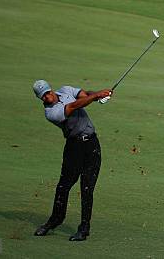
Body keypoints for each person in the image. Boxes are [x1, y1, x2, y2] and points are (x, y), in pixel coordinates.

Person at [31, 80, 112, 242]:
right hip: (74, 148)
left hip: (92, 145)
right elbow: (75, 106)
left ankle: (84, 229)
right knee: (63, 187)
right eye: (43, 96)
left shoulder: (66, 90)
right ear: (40, 99)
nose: (48, 97)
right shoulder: (51, 113)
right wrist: (96, 95)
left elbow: (84, 95)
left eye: (48, 92)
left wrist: (99, 96)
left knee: (87, 188)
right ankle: (55, 220)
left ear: (51, 89)